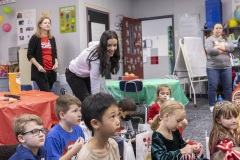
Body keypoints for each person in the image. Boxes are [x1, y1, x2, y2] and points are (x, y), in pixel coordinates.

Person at [65, 30, 120, 102]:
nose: (112, 49)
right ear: (103, 44)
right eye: (109, 45)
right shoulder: (96, 60)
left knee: (95, 97)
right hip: (74, 75)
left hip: (86, 74)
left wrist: (110, 97)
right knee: (87, 101)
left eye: (115, 45)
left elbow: (90, 43)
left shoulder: (99, 45)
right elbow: (95, 89)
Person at [77, 93, 120, 160]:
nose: (118, 121)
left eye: (118, 115)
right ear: (95, 123)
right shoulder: (86, 156)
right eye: (113, 116)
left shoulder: (113, 144)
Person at [205, 23, 235, 112]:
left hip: (226, 67)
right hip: (213, 67)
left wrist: (219, 47)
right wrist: (225, 50)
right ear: (213, 30)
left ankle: (228, 104)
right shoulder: (209, 39)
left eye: (220, 28)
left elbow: (232, 48)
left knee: (228, 87)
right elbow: (210, 50)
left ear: (222, 29)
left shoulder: (227, 38)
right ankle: (212, 105)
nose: (218, 29)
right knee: (212, 86)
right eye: (216, 28)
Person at [44, 94, 85, 160]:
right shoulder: (53, 136)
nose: (80, 115)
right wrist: (74, 150)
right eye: (75, 111)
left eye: (80, 111)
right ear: (62, 115)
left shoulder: (78, 129)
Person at [27, 16, 58, 92]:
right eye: (45, 23)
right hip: (41, 71)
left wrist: (56, 63)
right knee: (47, 93)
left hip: (51, 71)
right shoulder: (35, 38)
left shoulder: (52, 38)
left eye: (49, 23)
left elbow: (54, 54)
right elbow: (29, 55)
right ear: (40, 25)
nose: (48, 24)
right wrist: (38, 66)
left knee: (50, 94)